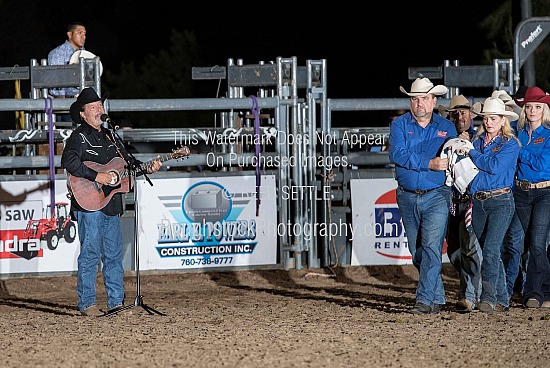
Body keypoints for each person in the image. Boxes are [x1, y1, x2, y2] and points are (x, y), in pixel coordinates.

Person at [61, 87, 162, 316]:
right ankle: (87, 303)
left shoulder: (111, 136)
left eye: (100, 106)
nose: (99, 110)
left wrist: (149, 167)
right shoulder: (78, 137)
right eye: (93, 107)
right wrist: (98, 176)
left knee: (114, 254)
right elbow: (68, 161)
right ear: (83, 115)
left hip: (110, 203)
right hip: (88, 203)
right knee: (90, 253)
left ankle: (116, 301)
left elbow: (129, 165)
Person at [389, 77, 457, 314]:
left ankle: (425, 300)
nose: (420, 103)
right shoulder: (399, 125)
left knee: (430, 246)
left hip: (437, 194)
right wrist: (428, 163)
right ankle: (437, 296)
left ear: (434, 101)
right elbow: (396, 154)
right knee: (417, 251)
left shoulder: (447, 128)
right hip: (407, 195)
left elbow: (403, 155)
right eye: (415, 99)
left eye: (424, 99)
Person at [458, 97, 520, 314]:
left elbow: (493, 166)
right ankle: (502, 298)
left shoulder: (510, 144)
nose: (488, 122)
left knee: (491, 250)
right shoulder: (477, 142)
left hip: (501, 201)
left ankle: (488, 298)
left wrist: (472, 153)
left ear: (503, 120)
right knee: (489, 250)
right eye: (486, 118)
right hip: (479, 201)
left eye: (493, 118)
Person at [513, 86, 550, 309]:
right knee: (528, 244)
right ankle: (540, 290)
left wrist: (519, 151)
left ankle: (536, 292)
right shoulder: (518, 135)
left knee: (537, 244)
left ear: (544, 109)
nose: (533, 110)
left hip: (544, 192)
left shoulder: (548, 134)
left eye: (537, 106)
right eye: (529, 107)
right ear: (524, 110)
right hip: (521, 191)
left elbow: (542, 164)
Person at [444, 95, 481, 312]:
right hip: (451, 199)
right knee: (455, 250)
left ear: (471, 115)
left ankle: (469, 294)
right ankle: (468, 286)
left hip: (471, 199)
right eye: (456, 113)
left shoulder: (478, 139)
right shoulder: (446, 139)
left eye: (464, 112)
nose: (460, 116)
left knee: (469, 248)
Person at [492, 90, 525, 304]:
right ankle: (504, 288)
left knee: (513, 244)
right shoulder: (490, 134)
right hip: (503, 193)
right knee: (502, 245)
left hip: (518, 193)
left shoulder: (519, 134)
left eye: (508, 105)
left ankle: (509, 288)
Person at [47, 22, 87, 122]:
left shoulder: (85, 53)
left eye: (85, 33)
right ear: (70, 35)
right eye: (79, 33)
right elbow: (55, 82)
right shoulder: (58, 53)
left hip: (81, 102)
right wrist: (63, 104)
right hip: (65, 104)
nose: (83, 36)